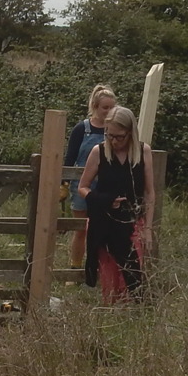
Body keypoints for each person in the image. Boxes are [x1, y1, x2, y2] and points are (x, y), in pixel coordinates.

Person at [76, 106, 154, 303]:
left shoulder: (143, 152)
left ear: (130, 133)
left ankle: (129, 321)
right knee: (109, 281)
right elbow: (83, 187)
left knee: (130, 277)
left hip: (132, 223)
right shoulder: (99, 152)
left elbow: (149, 192)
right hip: (104, 224)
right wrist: (103, 201)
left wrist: (148, 229)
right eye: (109, 135)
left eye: (119, 136)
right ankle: (111, 317)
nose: (114, 141)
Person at [62, 85, 117, 269]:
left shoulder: (115, 131)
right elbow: (70, 157)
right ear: (95, 106)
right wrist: (64, 183)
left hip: (105, 187)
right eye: (105, 108)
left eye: (112, 108)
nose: (109, 112)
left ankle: (99, 268)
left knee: (103, 229)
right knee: (80, 230)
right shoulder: (81, 129)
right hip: (80, 185)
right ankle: (75, 268)